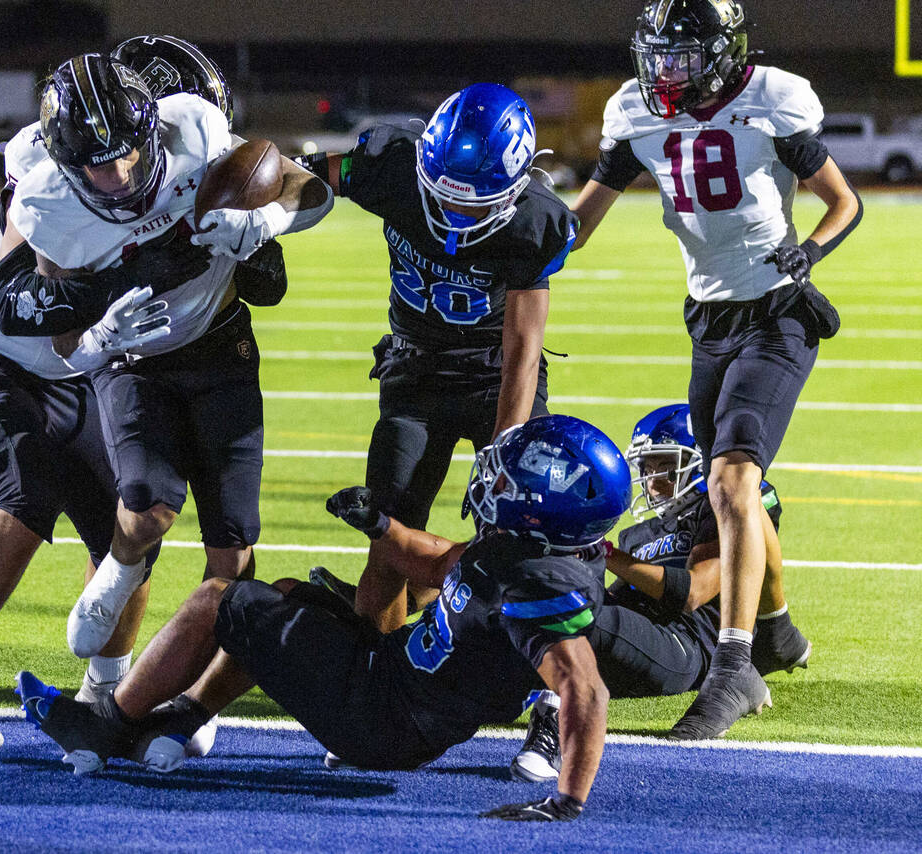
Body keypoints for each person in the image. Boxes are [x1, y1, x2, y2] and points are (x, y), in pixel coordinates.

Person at [0, 42, 285, 749]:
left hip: (82, 364)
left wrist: (258, 235)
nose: (121, 172)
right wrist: (124, 283)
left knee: (132, 521)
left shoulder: (185, 145)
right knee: (30, 492)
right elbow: (17, 306)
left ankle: (110, 691)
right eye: (98, 158)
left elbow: (293, 198)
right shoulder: (46, 182)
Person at [15, 414, 630, 823]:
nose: (492, 478)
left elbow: (586, 689)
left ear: (541, 504)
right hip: (401, 693)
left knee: (221, 600)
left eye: (511, 475)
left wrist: (566, 801)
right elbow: (442, 562)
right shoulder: (537, 551)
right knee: (285, 597)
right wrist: (381, 527)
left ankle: (105, 723)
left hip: (386, 714)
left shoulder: (536, 581)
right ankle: (181, 717)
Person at [569, 0, 860, 739]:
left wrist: (811, 250)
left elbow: (844, 201)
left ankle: (729, 671)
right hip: (707, 319)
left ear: (724, 54)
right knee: (723, 497)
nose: (667, 69)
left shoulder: (770, 99)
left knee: (733, 478)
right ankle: (775, 635)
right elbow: (577, 226)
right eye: (659, 53)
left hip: (777, 311)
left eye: (685, 55)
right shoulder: (635, 112)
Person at [0, 52, 331, 662]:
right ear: (63, 162)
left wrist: (268, 220)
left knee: (232, 544)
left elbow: (310, 188)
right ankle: (119, 572)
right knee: (148, 507)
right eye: (95, 163)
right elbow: (63, 335)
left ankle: (198, 691)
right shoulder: (46, 202)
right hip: (131, 362)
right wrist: (102, 337)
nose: (118, 173)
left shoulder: (194, 128)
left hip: (219, 343)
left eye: (128, 150)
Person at [295, 83, 578, 616]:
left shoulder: (533, 222)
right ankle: (370, 676)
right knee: (389, 536)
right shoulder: (391, 166)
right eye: (443, 195)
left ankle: (503, 647)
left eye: (472, 203)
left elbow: (523, 346)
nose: (452, 212)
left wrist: (506, 447)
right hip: (415, 371)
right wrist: (256, 206)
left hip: (493, 373)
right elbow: (302, 175)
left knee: (519, 532)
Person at [511, 404, 810, 781]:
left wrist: (603, 551)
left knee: (573, 618)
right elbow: (613, 602)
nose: (652, 480)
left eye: (664, 465)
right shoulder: (637, 534)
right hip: (642, 638)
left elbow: (694, 592)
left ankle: (552, 728)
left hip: (686, 643)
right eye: (647, 468)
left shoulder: (722, 511)